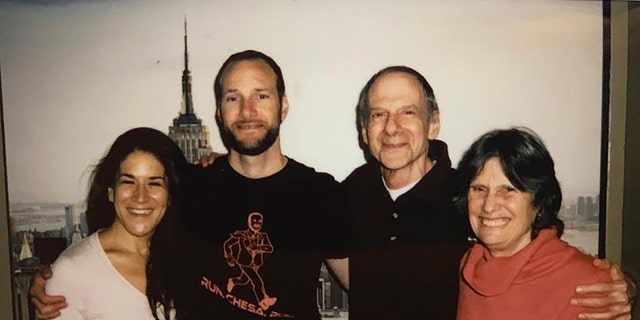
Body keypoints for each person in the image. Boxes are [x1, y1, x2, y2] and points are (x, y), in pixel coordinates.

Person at [343, 65, 635, 319]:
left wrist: (621, 283)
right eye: (378, 114)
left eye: (408, 112)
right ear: (365, 130)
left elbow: (541, 247)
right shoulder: (346, 197)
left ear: (433, 123)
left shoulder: (472, 199)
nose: (392, 127)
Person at [454, 127, 613, 319]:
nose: (489, 206)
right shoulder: (469, 267)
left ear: (539, 202)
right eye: (479, 189)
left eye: (508, 190)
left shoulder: (590, 285)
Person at [44, 127, 187, 320]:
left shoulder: (187, 260)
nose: (140, 197)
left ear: (170, 197)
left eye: (154, 183)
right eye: (128, 182)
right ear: (110, 191)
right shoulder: (72, 271)